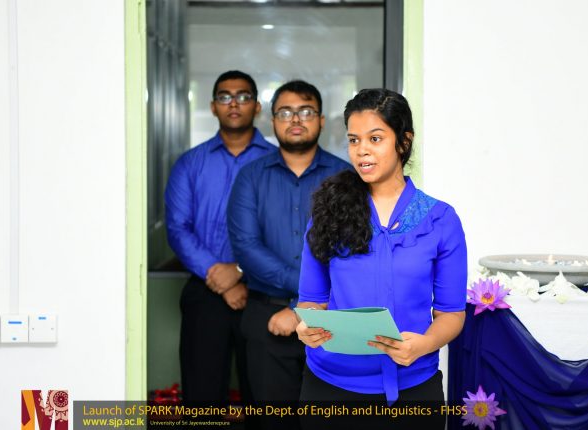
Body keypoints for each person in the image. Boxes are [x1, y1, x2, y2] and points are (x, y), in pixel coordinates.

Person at [296, 88, 467, 429]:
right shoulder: (328, 211)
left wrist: (425, 344)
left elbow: (451, 314)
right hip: (330, 387)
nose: (362, 150)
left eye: (375, 139)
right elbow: (311, 301)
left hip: (414, 387)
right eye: (354, 140)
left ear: (404, 141)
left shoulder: (441, 220)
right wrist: (307, 328)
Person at [227, 80, 351, 429]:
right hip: (267, 318)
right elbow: (246, 247)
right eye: (285, 112)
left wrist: (302, 307)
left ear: (321, 120)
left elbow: (352, 250)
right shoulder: (250, 177)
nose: (295, 119)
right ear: (272, 121)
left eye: (306, 111)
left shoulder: (346, 179)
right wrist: (305, 298)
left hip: (333, 320)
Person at [165, 70, 275, 413]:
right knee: (203, 400)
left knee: (265, 400)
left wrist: (239, 271)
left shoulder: (277, 163)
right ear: (213, 106)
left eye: (243, 96)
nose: (234, 103)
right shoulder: (190, 163)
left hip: (264, 294)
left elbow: (281, 230)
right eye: (225, 97)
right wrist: (220, 276)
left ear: (257, 106)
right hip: (205, 292)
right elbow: (178, 228)